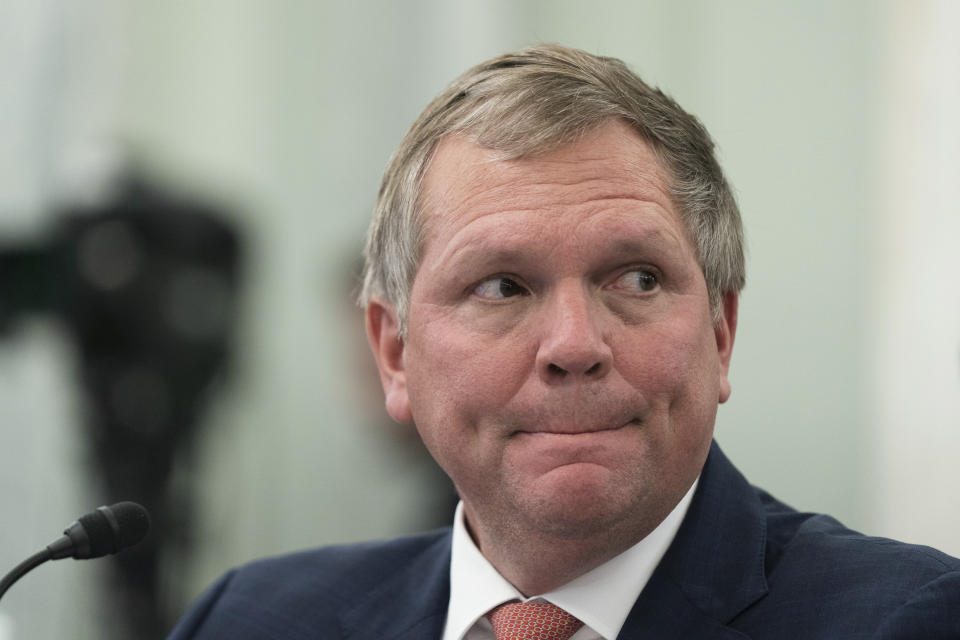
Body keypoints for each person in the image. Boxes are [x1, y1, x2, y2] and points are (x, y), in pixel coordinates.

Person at [168, 44, 960, 639]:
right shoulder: (252, 619)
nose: (575, 344)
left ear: (721, 331)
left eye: (637, 279)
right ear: (394, 352)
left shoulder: (905, 621)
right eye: (502, 287)